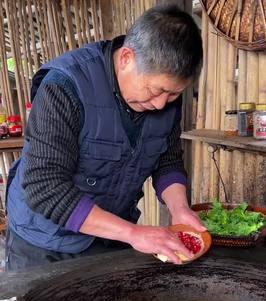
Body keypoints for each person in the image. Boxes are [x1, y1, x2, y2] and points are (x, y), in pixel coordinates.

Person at [6, 4, 205, 270]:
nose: (161, 104)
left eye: (173, 94)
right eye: (155, 90)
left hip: (110, 236)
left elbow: (167, 161)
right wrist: (133, 233)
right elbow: (45, 186)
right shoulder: (65, 87)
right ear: (126, 58)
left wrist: (180, 210)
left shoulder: (165, 101)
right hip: (44, 243)